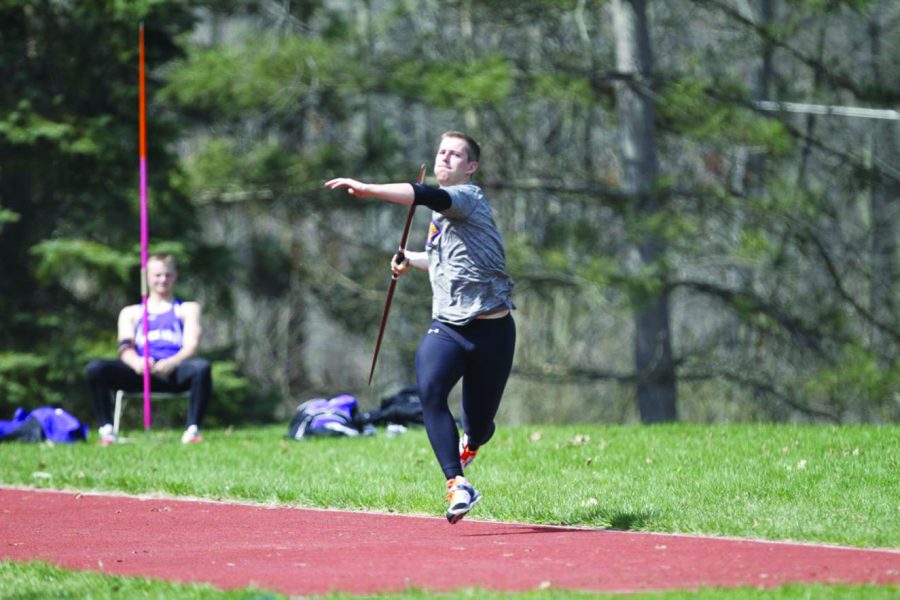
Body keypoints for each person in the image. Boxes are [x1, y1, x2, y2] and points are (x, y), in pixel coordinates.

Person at [325, 131, 516, 524]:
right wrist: (411, 259)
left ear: (471, 167)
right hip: (447, 327)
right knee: (430, 390)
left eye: (456, 155)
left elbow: (424, 194)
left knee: (478, 424)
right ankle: (457, 484)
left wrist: (367, 189)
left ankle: (474, 439)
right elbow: (446, 260)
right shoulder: (442, 217)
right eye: (442, 152)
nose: (445, 159)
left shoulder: (466, 197)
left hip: (492, 330)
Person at [85, 253, 211, 445]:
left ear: (175, 276)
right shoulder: (131, 313)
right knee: (96, 369)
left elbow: (191, 345)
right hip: (140, 373)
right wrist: (136, 362)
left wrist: (171, 362)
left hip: (174, 373)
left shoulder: (187, 309)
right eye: (157, 275)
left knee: (201, 368)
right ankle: (107, 431)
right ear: (147, 277)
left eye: (168, 275)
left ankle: (192, 431)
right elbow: (124, 347)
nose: (163, 280)